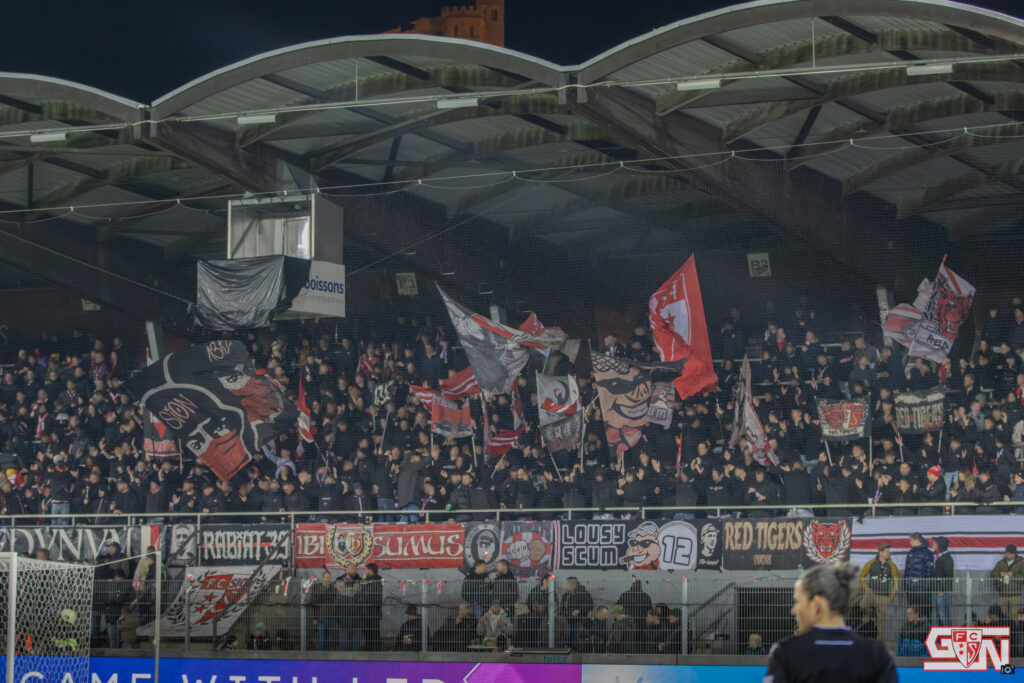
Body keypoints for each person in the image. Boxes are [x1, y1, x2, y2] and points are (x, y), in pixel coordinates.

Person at [767, 563, 896, 683]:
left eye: (798, 602)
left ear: (817, 604)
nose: (794, 611)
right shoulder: (876, 655)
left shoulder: (787, 654)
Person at [857, 542, 899, 646]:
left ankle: (880, 642)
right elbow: (862, 576)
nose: (888, 553)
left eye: (888, 551)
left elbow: (896, 581)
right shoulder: (871, 563)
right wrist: (867, 588)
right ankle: (869, 618)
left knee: (882, 620)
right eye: (886, 551)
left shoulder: (892, 566)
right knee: (862, 606)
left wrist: (891, 596)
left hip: (884, 596)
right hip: (871, 593)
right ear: (880, 552)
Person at [903, 532, 934, 618]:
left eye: (911, 540)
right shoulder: (910, 553)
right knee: (912, 610)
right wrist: (906, 584)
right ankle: (913, 625)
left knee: (924, 610)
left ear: (917, 541)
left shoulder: (927, 553)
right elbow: (907, 570)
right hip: (911, 588)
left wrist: (927, 586)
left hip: (922, 588)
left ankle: (925, 626)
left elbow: (929, 571)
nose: (910, 542)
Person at [991, 544, 1024, 619]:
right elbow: (992, 574)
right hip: (1003, 593)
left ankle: (1014, 626)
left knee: (1014, 615)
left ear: (1014, 554)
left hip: (1015, 594)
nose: (1007, 555)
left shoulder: (1021, 563)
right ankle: (1001, 626)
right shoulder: (1000, 563)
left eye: (1010, 553)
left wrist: (1013, 575)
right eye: (1006, 553)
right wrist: (1000, 574)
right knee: (999, 614)